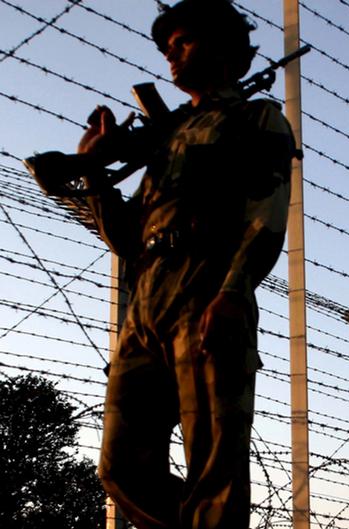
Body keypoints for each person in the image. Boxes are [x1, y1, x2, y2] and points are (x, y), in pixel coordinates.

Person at [76, 1, 294, 527]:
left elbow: (266, 212)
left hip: (208, 286)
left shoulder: (253, 117)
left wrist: (235, 291)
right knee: (119, 467)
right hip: (147, 299)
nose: (171, 55)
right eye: (166, 48)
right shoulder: (166, 137)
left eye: (184, 42)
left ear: (224, 49)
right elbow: (126, 238)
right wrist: (94, 171)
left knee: (213, 465)